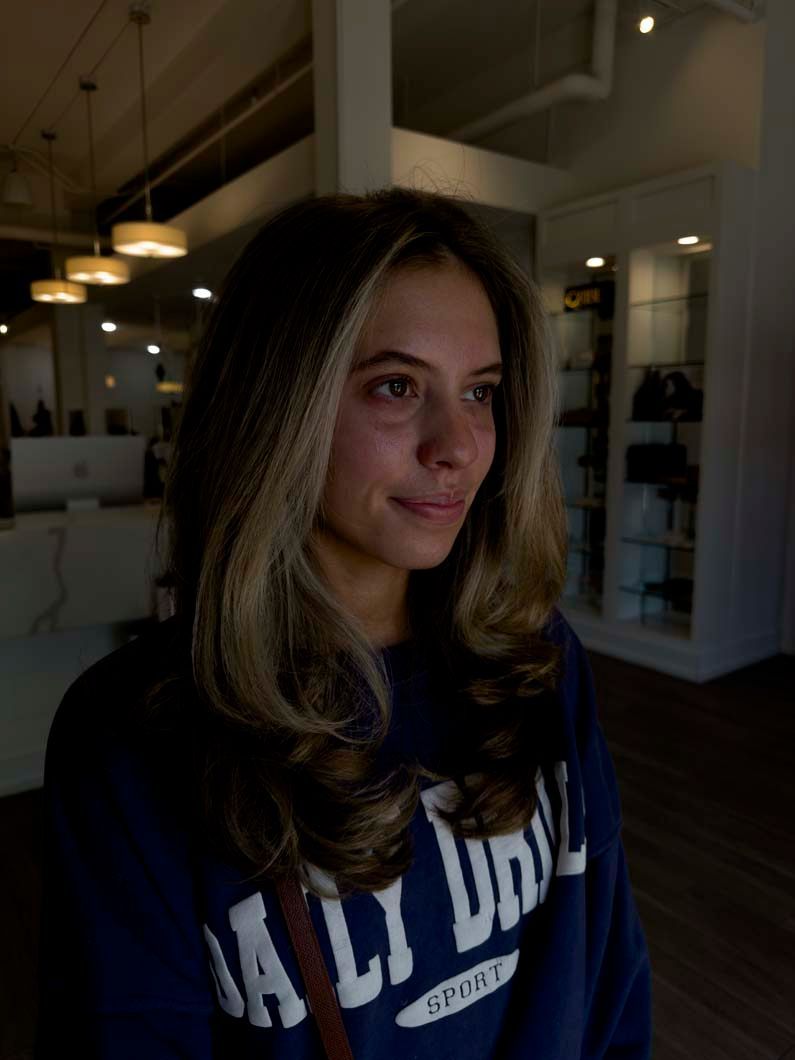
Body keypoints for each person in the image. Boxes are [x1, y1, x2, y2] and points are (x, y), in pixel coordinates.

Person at [35, 188, 652, 1058]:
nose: (459, 446)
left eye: (479, 392)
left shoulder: (537, 658)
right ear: (278, 405)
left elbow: (611, 978)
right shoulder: (136, 739)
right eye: (396, 387)